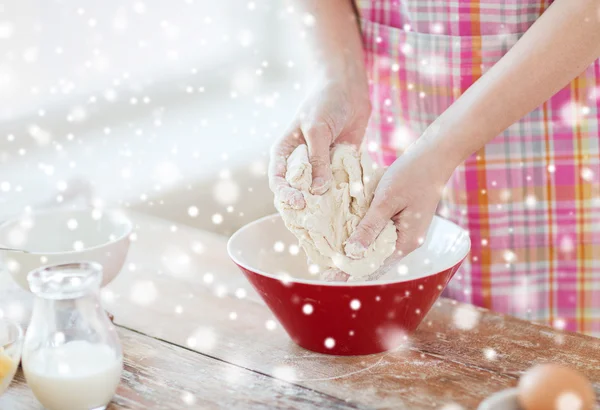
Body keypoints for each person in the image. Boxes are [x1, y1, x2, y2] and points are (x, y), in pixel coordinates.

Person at [268, 0, 600, 337]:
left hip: (551, 129)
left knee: (541, 351)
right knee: (426, 353)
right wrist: (340, 76)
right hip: (395, 121)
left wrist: (439, 150)